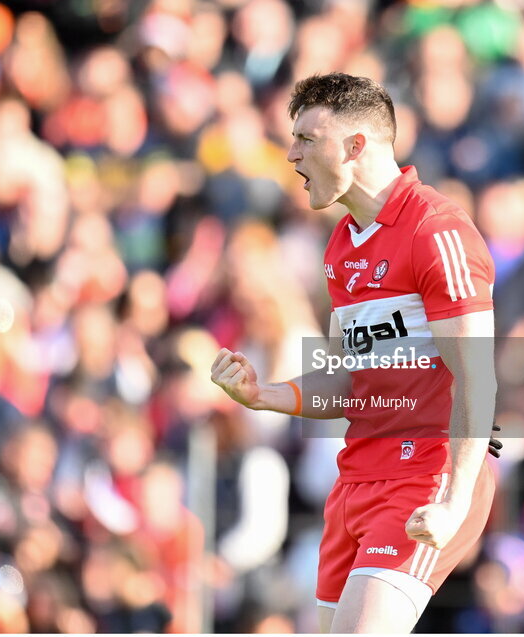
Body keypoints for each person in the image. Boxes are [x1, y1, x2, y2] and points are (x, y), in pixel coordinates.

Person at [211, 73, 499, 633]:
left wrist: (454, 499)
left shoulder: (437, 231)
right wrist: (265, 394)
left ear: (356, 146)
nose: (291, 154)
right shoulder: (343, 244)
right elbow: (349, 381)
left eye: (305, 139)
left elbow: (477, 379)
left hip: (425, 474)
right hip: (355, 482)